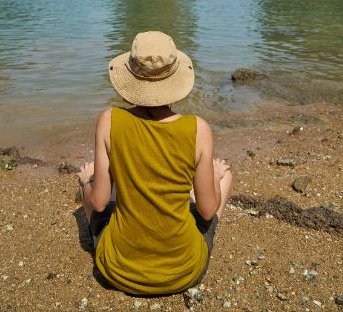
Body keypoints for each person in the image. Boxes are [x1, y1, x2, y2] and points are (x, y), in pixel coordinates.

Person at [77, 31, 233, 295]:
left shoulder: (109, 121)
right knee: (224, 176)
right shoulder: (199, 129)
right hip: (183, 271)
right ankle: (213, 184)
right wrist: (216, 180)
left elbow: (101, 202)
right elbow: (208, 211)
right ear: (175, 81)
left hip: (118, 269)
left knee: (95, 186)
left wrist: (85, 183)